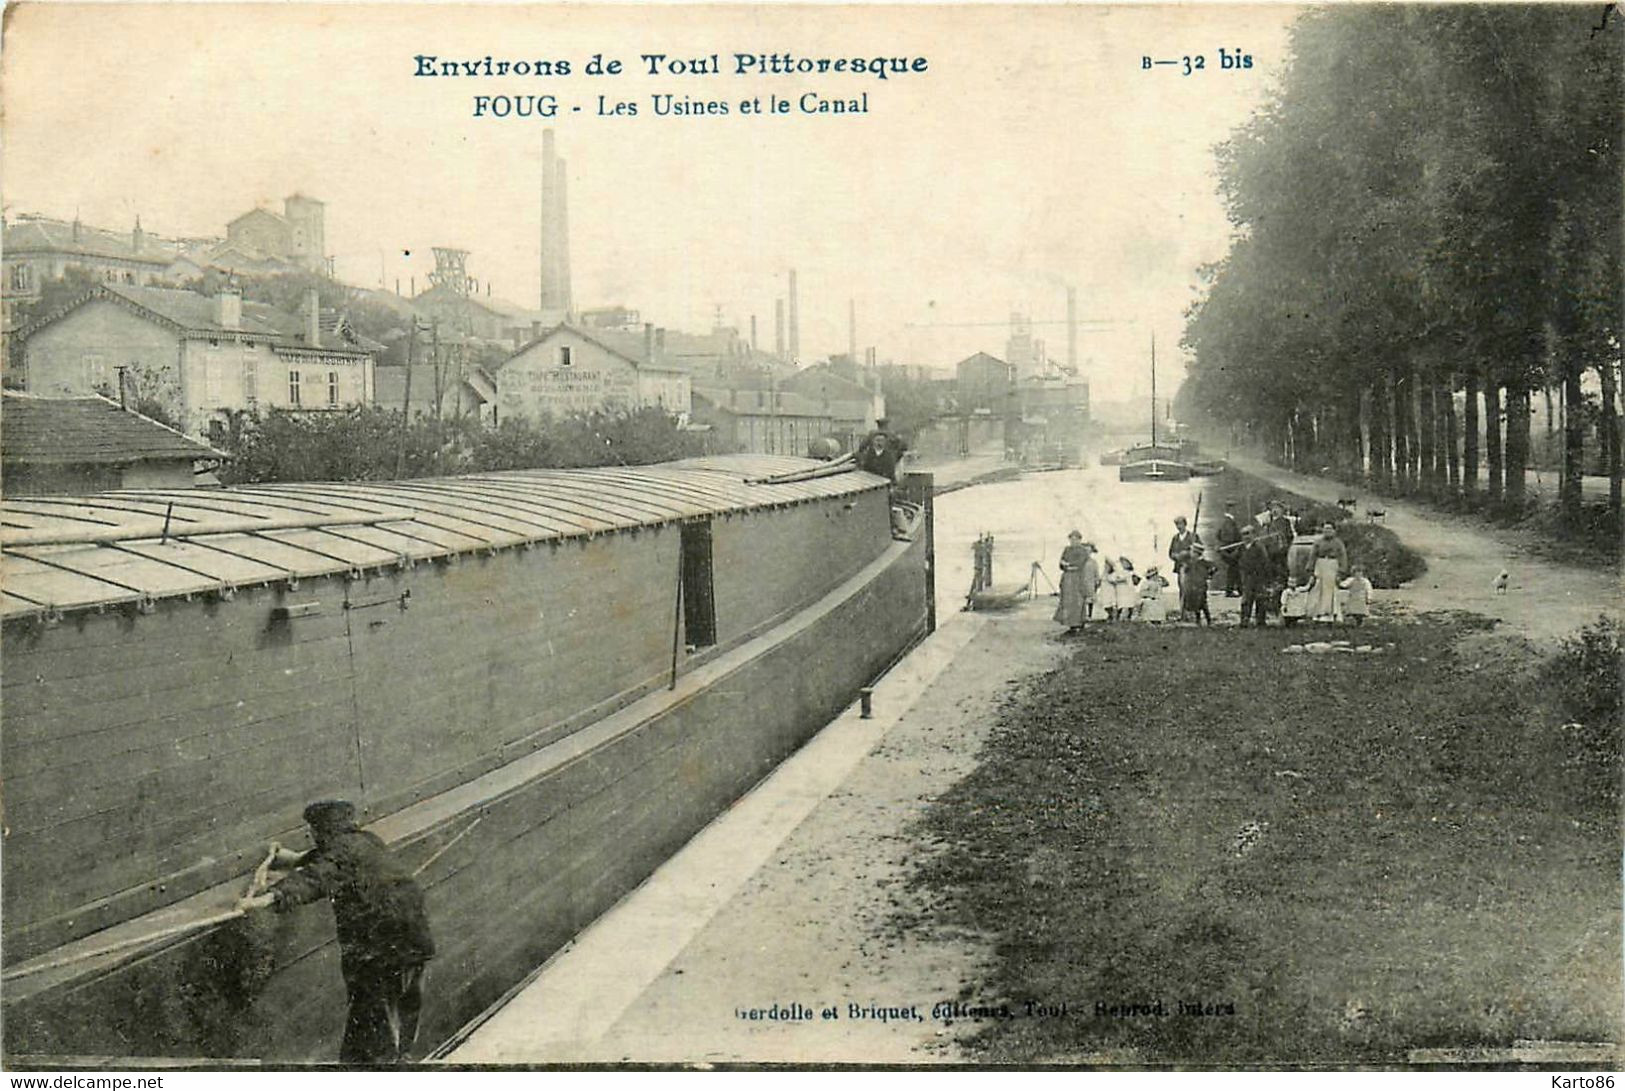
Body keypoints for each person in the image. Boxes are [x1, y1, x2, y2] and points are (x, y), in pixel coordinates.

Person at [240, 801, 435, 1064]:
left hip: (382, 955)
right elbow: (319, 860)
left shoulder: (339, 854)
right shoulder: (366, 841)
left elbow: (316, 877)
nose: (312, 836)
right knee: (401, 1025)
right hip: (415, 946)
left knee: (372, 1038)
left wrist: (265, 899)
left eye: (313, 831)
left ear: (322, 832)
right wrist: (284, 857)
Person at [1303, 521, 1349, 621]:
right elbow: (1313, 555)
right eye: (1325, 529)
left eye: (1329, 529)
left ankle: (1329, 615)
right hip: (1320, 564)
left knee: (1330, 589)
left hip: (1332, 565)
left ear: (1334, 531)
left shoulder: (1338, 543)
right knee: (1318, 588)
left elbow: (1343, 557)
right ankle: (1317, 613)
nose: (1327, 531)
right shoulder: (1318, 542)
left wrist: (1341, 571)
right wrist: (1310, 568)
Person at [1053, 531, 1094, 632]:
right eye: (1071, 539)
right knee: (1067, 601)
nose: (1073, 541)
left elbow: (1080, 564)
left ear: (1080, 539)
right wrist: (1065, 565)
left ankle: (1078, 623)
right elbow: (1061, 563)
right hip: (1067, 578)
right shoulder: (1067, 549)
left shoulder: (1082, 550)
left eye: (1075, 539)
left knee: (1078, 600)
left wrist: (1068, 565)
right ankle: (1071, 624)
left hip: (1077, 578)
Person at [1236, 525, 1275, 627]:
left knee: (1260, 600)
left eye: (1248, 534)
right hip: (1247, 578)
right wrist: (1222, 553)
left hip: (1259, 577)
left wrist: (1267, 579)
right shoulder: (1241, 548)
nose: (1246, 537)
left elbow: (1266, 563)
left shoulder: (1259, 547)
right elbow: (1233, 559)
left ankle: (1260, 621)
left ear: (1253, 534)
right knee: (1246, 601)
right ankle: (1244, 621)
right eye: (1244, 535)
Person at [1167, 516, 1202, 619]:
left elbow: (1200, 550)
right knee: (1182, 589)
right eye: (1177, 525)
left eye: (1180, 524)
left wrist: (1187, 553)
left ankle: (1193, 612)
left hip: (1191, 568)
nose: (1179, 527)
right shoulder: (1175, 538)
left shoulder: (1193, 536)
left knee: (1191, 590)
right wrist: (1175, 556)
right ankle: (1183, 612)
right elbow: (1170, 553)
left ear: (1185, 524)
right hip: (1180, 567)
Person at [854, 418, 907, 483]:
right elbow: (903, 447)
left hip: (879, 466)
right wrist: (896, 456)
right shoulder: (892, 434)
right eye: (877, 441)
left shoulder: (872, 434)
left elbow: (862, 447)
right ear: (887, 425)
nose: (879, 442)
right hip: (883, 463)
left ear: (878, 425)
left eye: (881, 441)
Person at [1215, 503, 1243, 597]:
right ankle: (1231, 591)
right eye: (1234, 508)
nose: (1236, 510)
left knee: (1235, 569)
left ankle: (1238, 590)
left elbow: (1217, 535)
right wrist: (1236, 548)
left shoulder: (1226, 521)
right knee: (1234, 569)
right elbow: (1230, 539)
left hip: (1228, 549)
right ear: (1230, 509)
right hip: (1230, 551)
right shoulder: (1228, 522)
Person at [1182, 548, 1214, 625]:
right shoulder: (1190, 563)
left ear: (1197, 554)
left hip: (1201, 585)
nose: (1191, 554)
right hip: (1193, 584)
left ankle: (1208, 619)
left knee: (1202, 602)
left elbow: (1214, 568)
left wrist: (1209, 575)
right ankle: (1198, 619)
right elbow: (1186, 571)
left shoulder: (1204, 563)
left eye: (1193, 553)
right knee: (1195, 602)